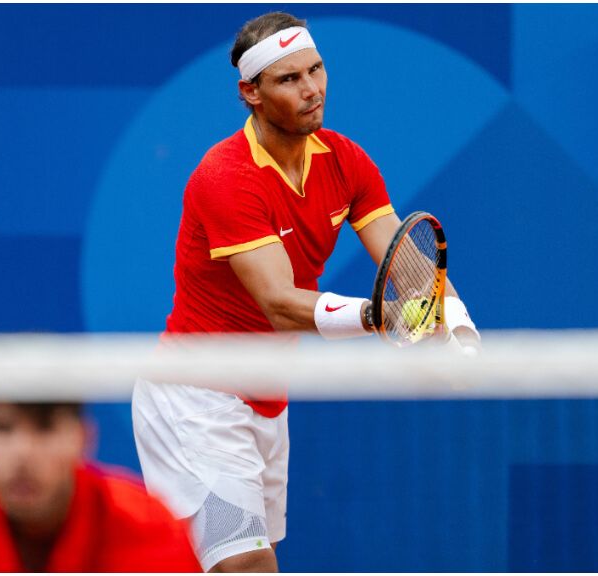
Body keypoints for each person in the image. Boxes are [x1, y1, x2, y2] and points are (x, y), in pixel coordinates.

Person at [132, 12, 482, 573]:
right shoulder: (226, 176)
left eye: (316, 70)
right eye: (289, 79)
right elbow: (278, 301)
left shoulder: (345, 160)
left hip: (268, 400)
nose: (312, 89)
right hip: (195, 399)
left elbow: (408, 260)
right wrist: (382, 318)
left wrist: (459, 332)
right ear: (251, 92)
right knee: (245, 564)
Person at [0, 402, 201, 572]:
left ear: (83, 437)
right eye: (4, 427)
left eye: (45, 428)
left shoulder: (150, 531)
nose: (23, 452)